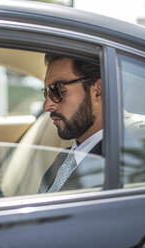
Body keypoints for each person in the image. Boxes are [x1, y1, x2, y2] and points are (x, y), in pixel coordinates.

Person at [38, 54, 104, 193]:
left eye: (58, 90)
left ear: (98, 90)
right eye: (47, 92)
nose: (47, 106)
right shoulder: (65, 156)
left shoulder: (121, 165)